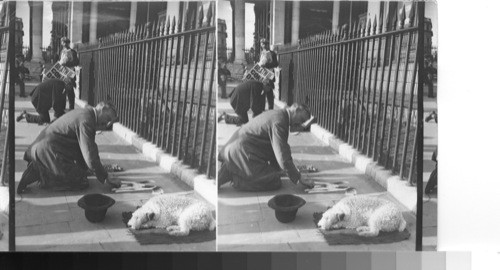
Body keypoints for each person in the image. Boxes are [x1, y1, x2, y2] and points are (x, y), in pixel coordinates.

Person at [17, 101, 120, 194]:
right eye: (108, 119)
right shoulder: (87, 120)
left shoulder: (85, 113)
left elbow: (82, 149)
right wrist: (106, 177)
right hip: (47, 151)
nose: (107, 124)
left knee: (80, 172)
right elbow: (90, 156)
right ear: (101, 109)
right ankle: (43, 174)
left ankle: (42, 166)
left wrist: (87, 169)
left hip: (43, 149)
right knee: (81, 181)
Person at [218, 103, 315, 191]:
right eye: (301, 120)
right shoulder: (280, 122)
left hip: (234, 149)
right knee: (274, 181)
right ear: (296, 110)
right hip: (241, 153)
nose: (299, 124)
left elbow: (275, 149)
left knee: (274, 173)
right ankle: (236, 177)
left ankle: (232, 167)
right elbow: (283, 157)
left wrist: (283, 170)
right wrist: (298, 177)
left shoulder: (278, 114)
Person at [59, 36, 80, 110]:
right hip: (62, 73)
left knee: (70, 90)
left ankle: (71, 108)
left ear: (68, 43)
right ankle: (62, 107)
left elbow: (76, 62)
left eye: (66, 42)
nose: (64, 44)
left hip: (70, 73)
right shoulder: (62, 52)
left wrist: (67, 63)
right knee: (62, 90)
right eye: (63, 42)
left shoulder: (72, 52)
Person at [258, 39, 279, 110]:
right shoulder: (262, 53)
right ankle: (262, 108)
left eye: (265, 44)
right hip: (262, 75)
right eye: (262, 44)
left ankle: (270, 108)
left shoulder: (272, 53)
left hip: (269, 76)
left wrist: (266, 65)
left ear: (267, 44)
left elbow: (276, 64)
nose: (264, 45)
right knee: (262, 92)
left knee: (269, 92)